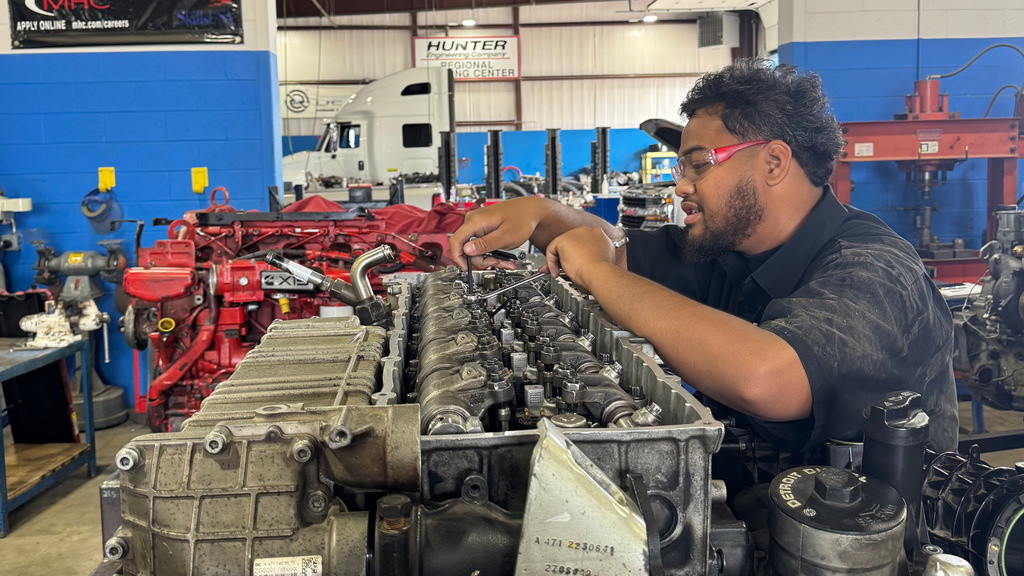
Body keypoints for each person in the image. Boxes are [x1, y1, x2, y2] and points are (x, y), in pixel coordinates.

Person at [450, 58, 958, 455]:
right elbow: (611, 245)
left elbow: (769, 378)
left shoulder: (877, 269)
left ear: (774, 162)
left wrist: (598, 271)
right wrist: (538, 214)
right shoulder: (730, 248)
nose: (680, 186)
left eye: (697, 165)